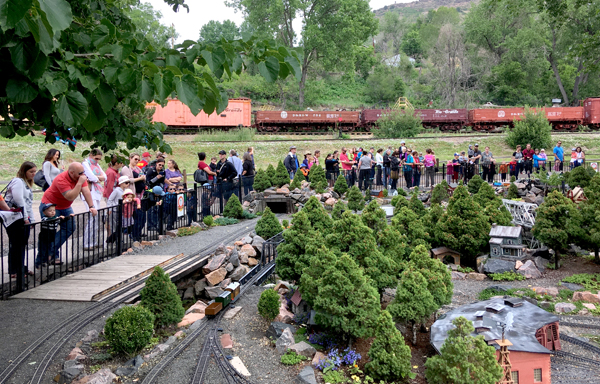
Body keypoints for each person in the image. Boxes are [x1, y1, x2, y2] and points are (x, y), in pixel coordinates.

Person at [41, 163, 97, 263]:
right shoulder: (61, 179)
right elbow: (70, 196)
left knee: (69, 228)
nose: (83, 175)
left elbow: (86, 191)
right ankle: (47, 257)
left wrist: (91, 206)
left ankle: (50, 252)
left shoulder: (79, 178)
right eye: (80, 173)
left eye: (83, 172)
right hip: (50, 205)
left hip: (65, 206)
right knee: (50, 231)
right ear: (71, 172)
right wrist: (79, 183)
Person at [4, 162, 36, 278]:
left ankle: (20, 267)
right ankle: (14, 270)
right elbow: (19, 201)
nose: (33, 174)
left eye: (34, 171)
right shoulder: (18, 181)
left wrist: (31, 219)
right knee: (16, 243)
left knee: (22, 244)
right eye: (31, 172)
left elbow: (28, 203)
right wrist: (25, 217)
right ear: (24, 171)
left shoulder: (26, 183)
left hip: (22, 217)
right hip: (15, 218)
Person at [82, 149, 106, 251]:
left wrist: (96, 177)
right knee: (91, 217)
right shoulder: (85, 163)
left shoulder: (96, 165)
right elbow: (91, 177)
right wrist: (97, 178)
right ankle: (87, 242)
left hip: (96, 192)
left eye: (99, 159)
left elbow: (104, 176)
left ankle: (94, 241)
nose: (97, 161)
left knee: (96, 218)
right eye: (96, 158)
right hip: (89, 191)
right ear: (91, 155)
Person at [37, 203, 70, 268]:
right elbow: (50, 221)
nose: (52, 212)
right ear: (44, 213)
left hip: (51, 238)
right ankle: (38, 263)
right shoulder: (45, 219)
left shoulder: (55, 219)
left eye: (54, 210)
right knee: (42, 251)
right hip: (44, 238)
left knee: (49, 250)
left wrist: (69, 217)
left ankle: (45, 261)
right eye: (50, 211)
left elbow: (62, 220)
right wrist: (58, 218)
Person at [106, 176, 131, 244]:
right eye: (126, 183)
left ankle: (117, 239)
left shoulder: (124, 191)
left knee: (119, 225)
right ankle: (115, 240)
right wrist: (109, 208)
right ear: (121, 183)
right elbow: (110, 199)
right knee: (114, 226)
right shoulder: (117, 190)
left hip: (120, 210)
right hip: (114, 210)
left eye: (128, 183)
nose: (128, 184)